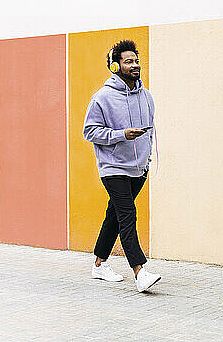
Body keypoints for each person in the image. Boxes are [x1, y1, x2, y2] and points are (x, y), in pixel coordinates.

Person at [83, 39, 161, 293]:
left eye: (136, 61)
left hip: (138, 169)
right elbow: (90, 131)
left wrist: (147, 159)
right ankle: (140, 272)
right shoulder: (102, 98)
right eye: (128, 61)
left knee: (115, 216)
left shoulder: (146, 95)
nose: (135, 65)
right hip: (113, 167)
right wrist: (120, 135)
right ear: (115, 66)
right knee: (128, 215)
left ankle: (99, 264)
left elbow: (150, 132)